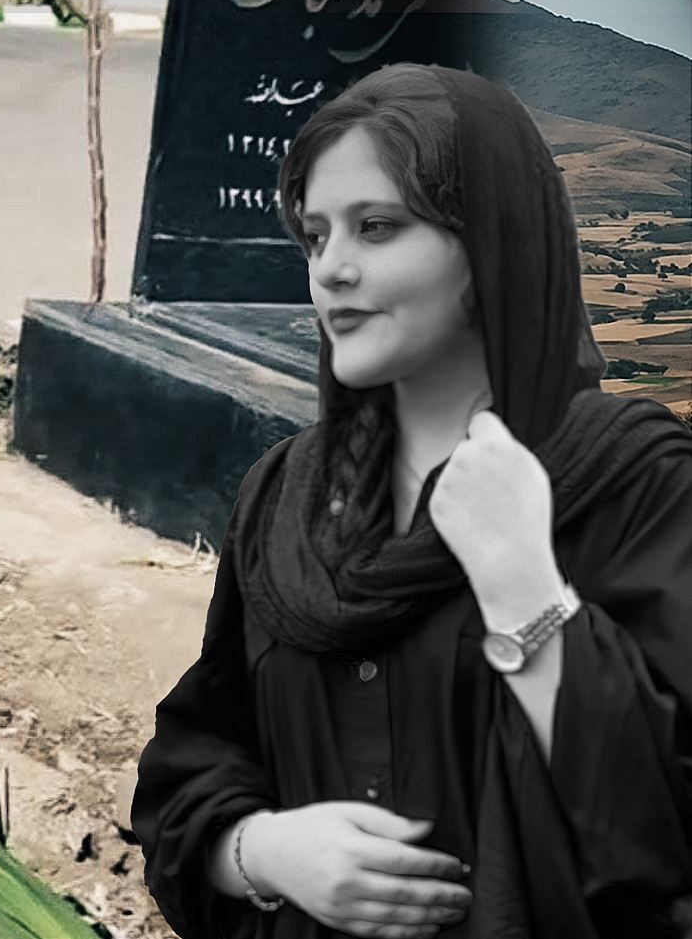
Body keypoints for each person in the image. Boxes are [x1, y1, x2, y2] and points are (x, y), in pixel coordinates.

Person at [131, 62, 692, 939]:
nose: (332, 269)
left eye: (377, 227)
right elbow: (195, 757)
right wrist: (263, 850)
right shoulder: (286, 497)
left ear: (491, 243)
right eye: (315, 235)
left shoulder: (635, 483)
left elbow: (667, 830)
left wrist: (528, 590)